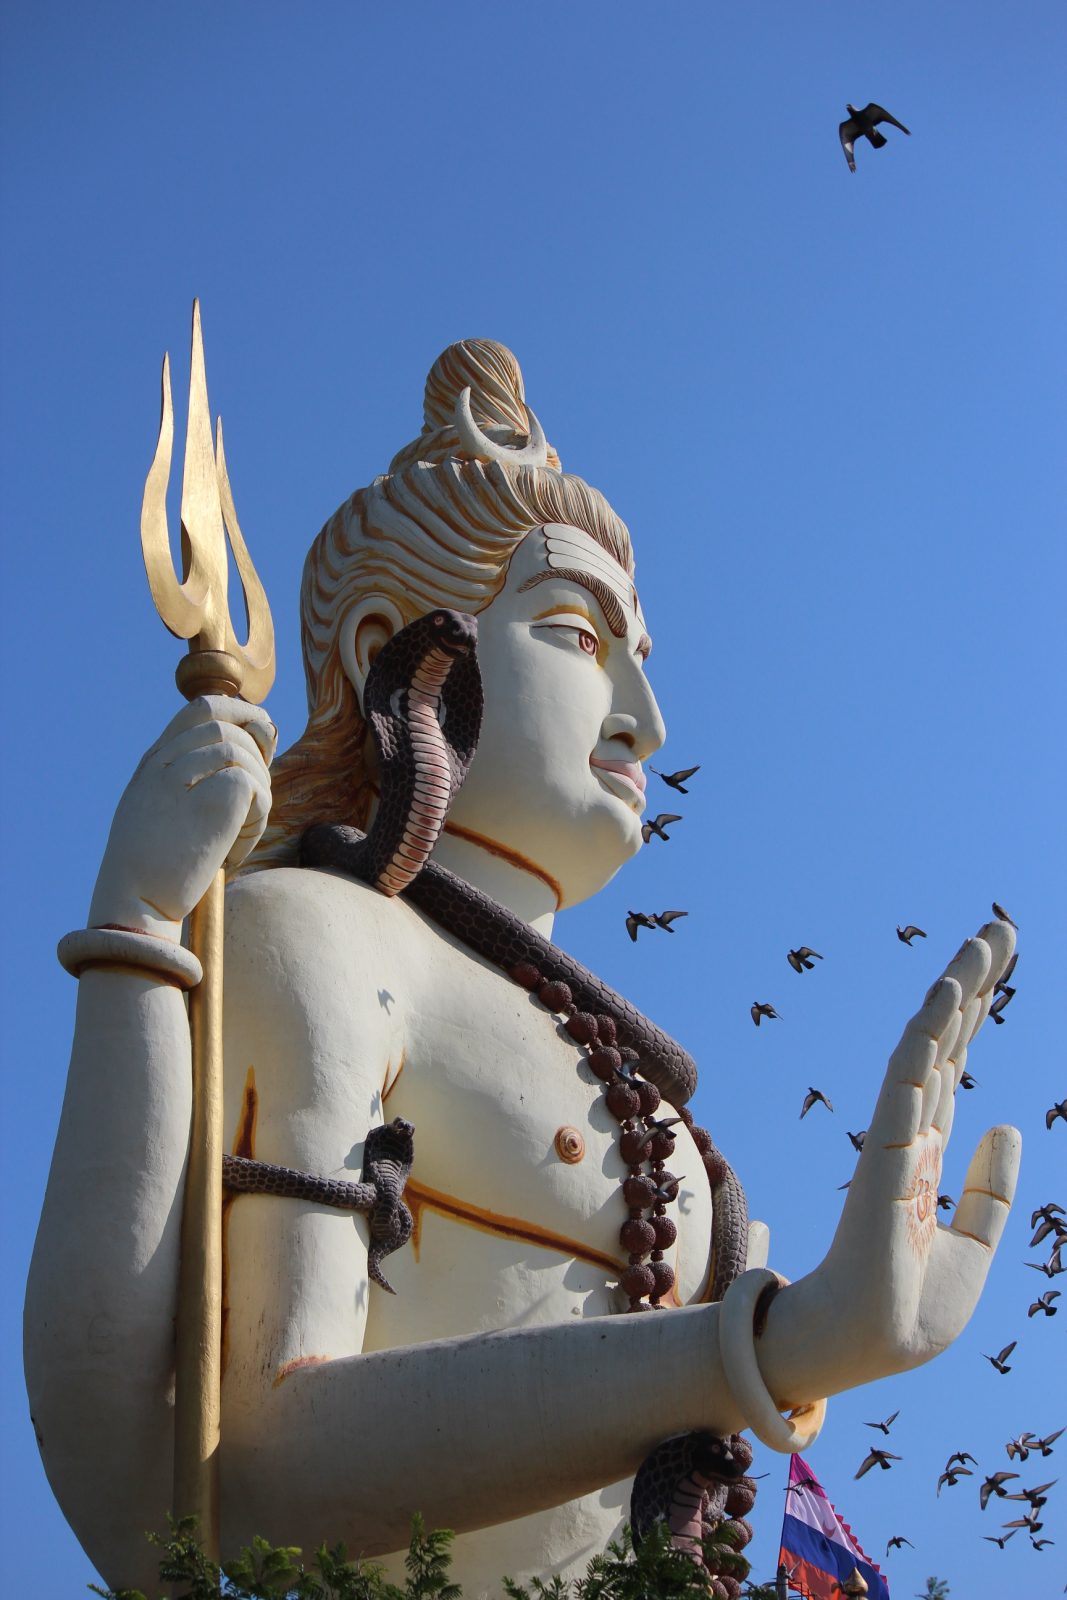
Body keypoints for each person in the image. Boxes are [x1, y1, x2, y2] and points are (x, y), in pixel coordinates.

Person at [25, 339, 1019, 1593]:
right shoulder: (323, 937)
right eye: (574, 636)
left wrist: (802, 1349)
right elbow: (247, 1477)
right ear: (406, 652)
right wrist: (138, 945)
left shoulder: (640, 1083)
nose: (641, 719)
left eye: (641, 656)